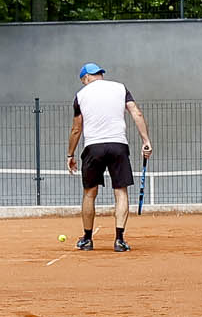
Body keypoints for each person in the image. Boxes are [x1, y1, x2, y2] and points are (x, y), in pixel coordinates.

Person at [64, 62, 152, 251]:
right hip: (118, 145)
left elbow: (76, 128)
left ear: (85, 78)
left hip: (93, 146)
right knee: (120, 192)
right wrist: (146, 140)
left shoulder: (81, 95)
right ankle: (119, 240)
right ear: (99, 75)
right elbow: (136, 112)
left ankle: (87, 239)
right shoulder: (120, 88)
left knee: (89, 193)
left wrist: (70, 154)